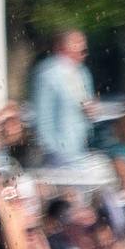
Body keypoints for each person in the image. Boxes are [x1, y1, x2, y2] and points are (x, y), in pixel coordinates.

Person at [28, 30, 93, 167]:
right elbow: (41, 114)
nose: (82, 48)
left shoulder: (82, 72)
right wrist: (52, 148)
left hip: (79, 147)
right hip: (57, 151)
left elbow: (85, 104)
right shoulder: (48, 72)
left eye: (83, 44)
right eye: (77, 43)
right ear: (62, 46)